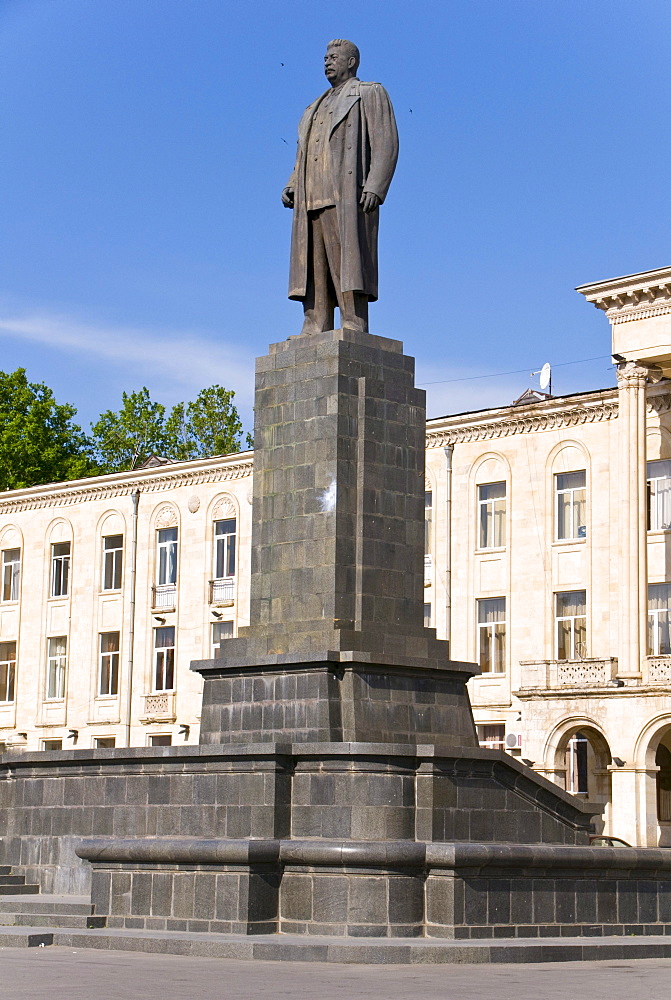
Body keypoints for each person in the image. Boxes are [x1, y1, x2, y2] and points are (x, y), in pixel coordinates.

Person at [282, 39, 398, 335]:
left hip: (347, 194)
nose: (327, 62)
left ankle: (353, 320)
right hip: (311, 195)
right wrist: (293, 182)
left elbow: (386, 142)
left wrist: (375, 184)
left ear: (351, 62)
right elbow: (303, 152)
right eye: (324, 57)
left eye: (333, 57)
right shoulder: (313, 107)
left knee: (348, 262)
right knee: (314, 266)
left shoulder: (369, 93)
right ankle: (315, 321)